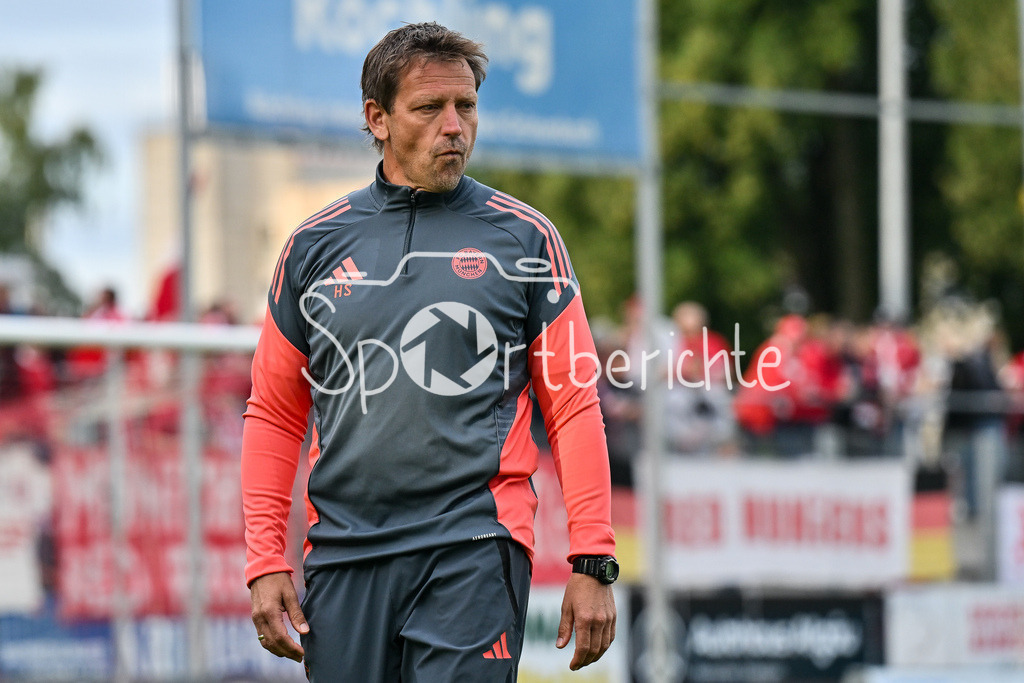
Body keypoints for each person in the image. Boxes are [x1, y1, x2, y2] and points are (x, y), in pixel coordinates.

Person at [242, 22, 617, 681]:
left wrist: (593, 556)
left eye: (466, 106)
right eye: (429, 108)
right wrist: (265, 558)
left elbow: (573, 405)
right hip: (343, 554)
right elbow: (274, 412)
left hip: (473, 546)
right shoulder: (312, 247)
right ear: (377, 118)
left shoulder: (528, 240)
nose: (454, 126)